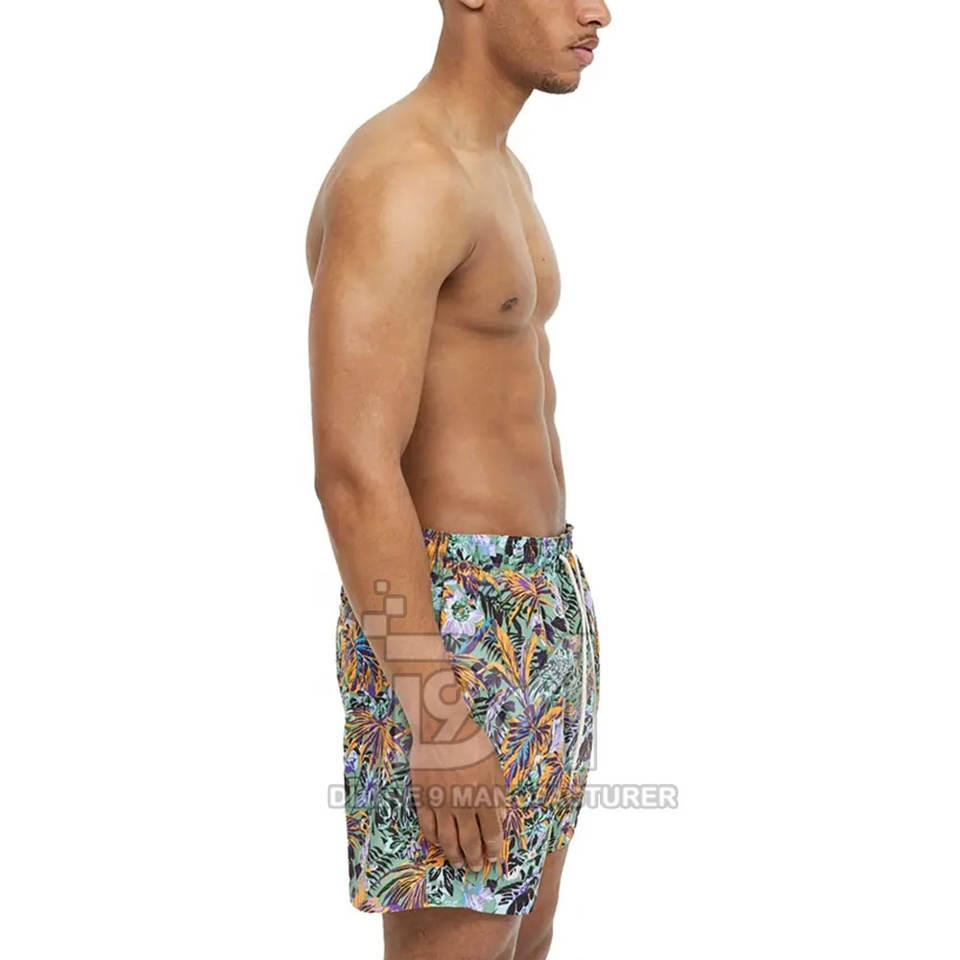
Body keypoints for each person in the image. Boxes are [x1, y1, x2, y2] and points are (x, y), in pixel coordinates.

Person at [306, 2, 611, 957]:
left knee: (527, 935)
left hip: (542, 598)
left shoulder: (499, 169)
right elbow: (352, 471)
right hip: (445, 623)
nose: (599, 11)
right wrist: (436, 713)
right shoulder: (403, 175)